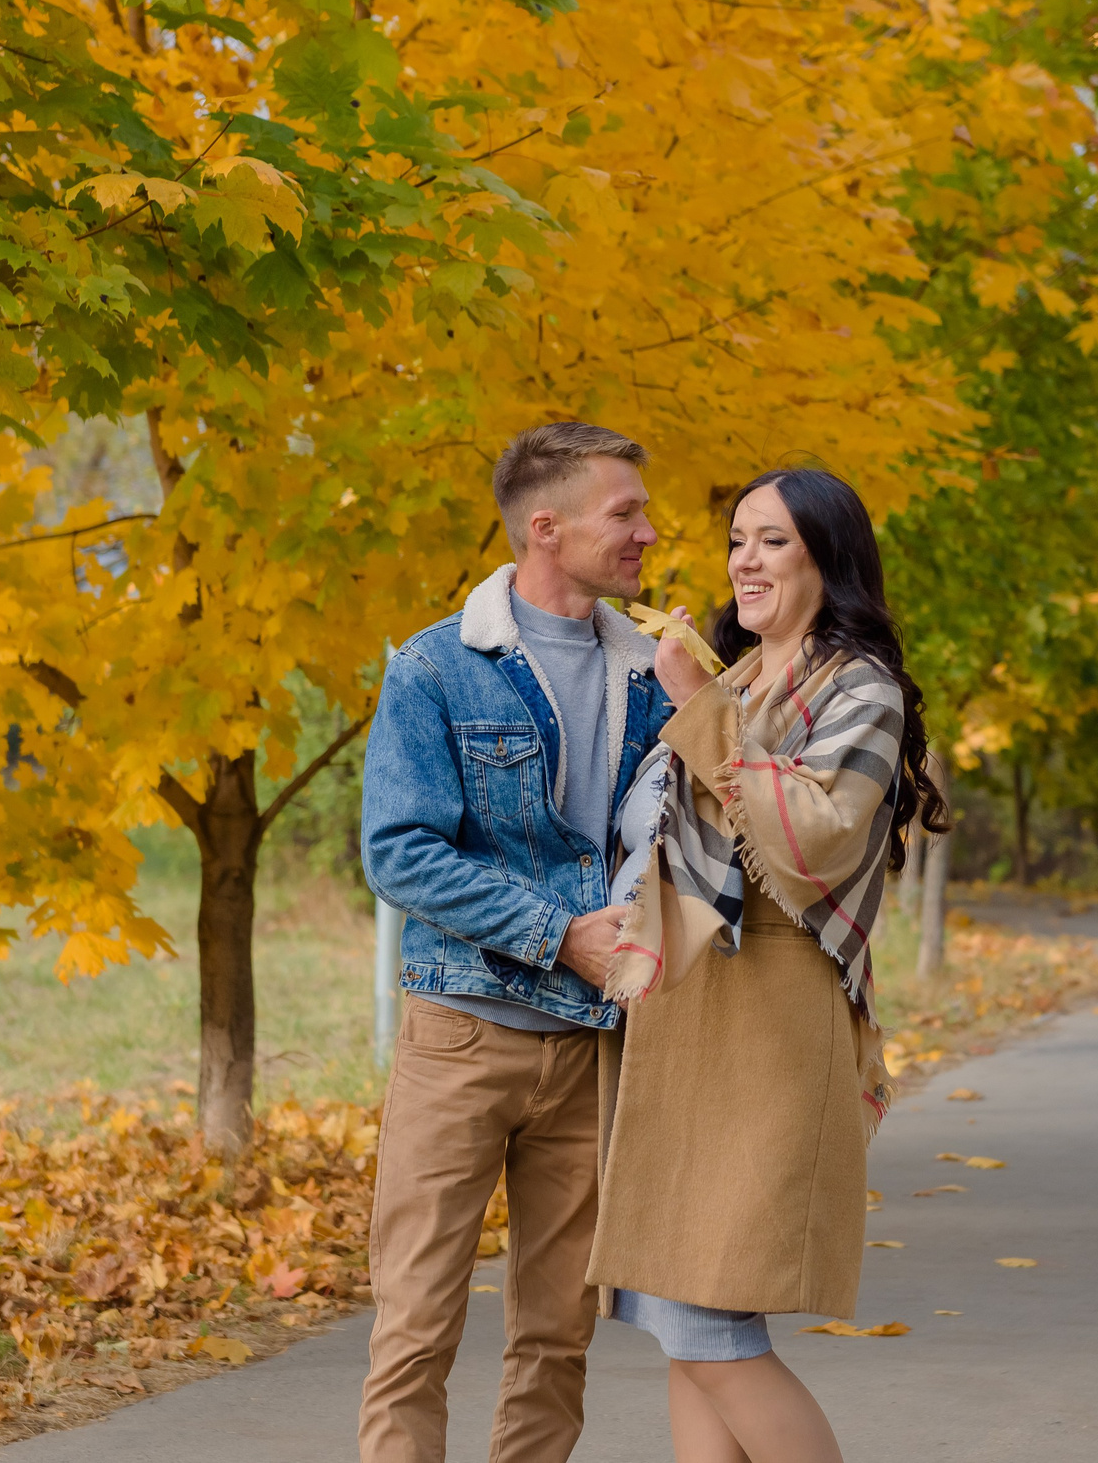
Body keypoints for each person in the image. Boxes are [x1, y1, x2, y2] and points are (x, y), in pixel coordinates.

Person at [586, 467, 949, 1463]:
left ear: (828, 558)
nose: (745, 559)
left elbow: (811, 843)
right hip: (684, 1019)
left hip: (770, 1027)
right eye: (738, 538)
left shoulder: (856, 689)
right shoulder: (739, 677)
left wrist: (698, 708)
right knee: (675, 1317)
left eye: (773, 540)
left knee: (707, 1324)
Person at [356, 422, 672, 1463]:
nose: (647, 530)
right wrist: (556, 935)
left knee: (556, 1335)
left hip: (591, 1047)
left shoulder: (657, 675)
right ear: (547, 526)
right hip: (462, 1036)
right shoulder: (440, 667)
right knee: (415, 1324)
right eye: (623, 511)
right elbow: (399, 854)